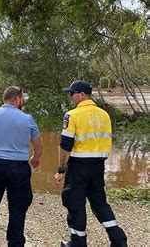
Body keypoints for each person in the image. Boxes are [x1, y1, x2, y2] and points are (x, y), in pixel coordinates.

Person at [55, 80, 127, 247]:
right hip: (98, 167)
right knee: (100, 203)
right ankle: (119, 240)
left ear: (82, 94)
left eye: (72, 94)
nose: (71, 97)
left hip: (79, 167)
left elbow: (65, 146)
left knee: (75, 203)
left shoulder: (72, 115)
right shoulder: (104, 114)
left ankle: (78, 243)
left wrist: (61, 170)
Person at [0, 86, 43, 247]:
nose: (23, 101)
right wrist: (36, 158)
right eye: (22, 98)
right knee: (18, 208)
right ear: (17, 99)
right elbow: (38, 143)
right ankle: (15, 243)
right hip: (19, 168)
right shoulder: (27, 119)